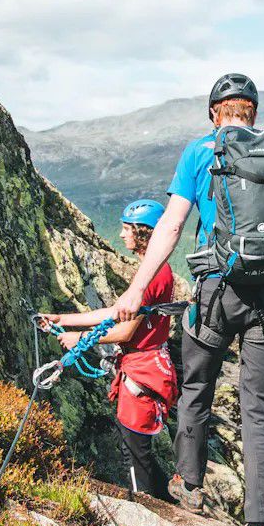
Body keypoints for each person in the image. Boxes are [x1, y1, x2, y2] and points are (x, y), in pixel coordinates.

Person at [112, 73, 264, 526]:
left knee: (197, 389)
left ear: (215, 113)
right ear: (252, 111)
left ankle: (189, 486)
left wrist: (135, 287)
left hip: (216, 293)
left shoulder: (200, 152)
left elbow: (170, 225)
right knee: (259, 410)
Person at [41, 199, 176, 500]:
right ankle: (167, 501)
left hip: (141, 370)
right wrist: (62, 319)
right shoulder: (152, 272)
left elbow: (125, 329)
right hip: (144, 366)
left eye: (127, 229)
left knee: (134, 451)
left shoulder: (152, 277)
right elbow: (117, 312)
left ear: (143, 233)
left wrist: (80, 339)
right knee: (138, 448)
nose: (122, 235)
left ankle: (148, 509)